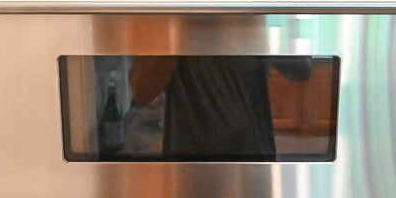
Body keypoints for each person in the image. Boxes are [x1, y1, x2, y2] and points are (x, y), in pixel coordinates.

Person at [128, 56, 311, 160]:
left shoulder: (251, 1)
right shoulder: (172, 8)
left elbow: (301, 68)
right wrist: (179, 20)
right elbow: (141, 91)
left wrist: (258, 16)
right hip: (187, 164)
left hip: (250, 159)